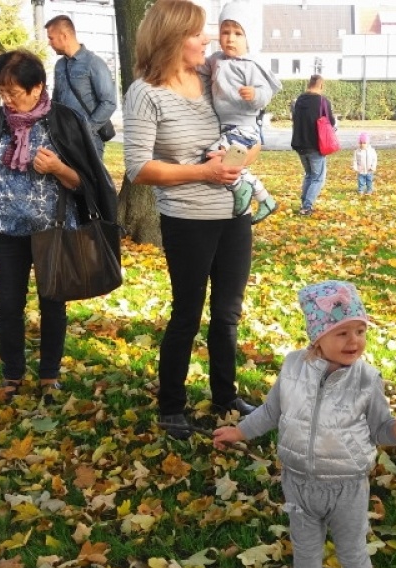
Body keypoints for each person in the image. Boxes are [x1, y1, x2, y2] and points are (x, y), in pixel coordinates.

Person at [214, 280, 396, 568]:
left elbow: (381, 430)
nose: (354, 340)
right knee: (305, 541)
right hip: (298, 480)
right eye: (342, 332)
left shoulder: (367, 380)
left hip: (346, 485)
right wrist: (239, 430)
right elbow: (271, 412)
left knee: (352, 550)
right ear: (318, 337)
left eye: (360, 331)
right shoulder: (293, 367)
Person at [0, 50, 118, 402]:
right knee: (8, 305)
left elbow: (86, 183)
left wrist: (58, 168)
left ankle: (49, 375)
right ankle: (12, 374)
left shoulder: (66, 121)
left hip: (53, 231)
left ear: (38, 86)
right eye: (1, 91)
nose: (5, 99)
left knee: (52, 301)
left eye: (13, 91)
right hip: (6, 230)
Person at [123, 0, 258, 439]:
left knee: (227, 315)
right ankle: (172, 406)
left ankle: (225, 396)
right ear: (172, 38)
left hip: (234, 215)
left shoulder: (211, 76)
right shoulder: (145, 92)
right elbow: (138, 167)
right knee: (187, 314)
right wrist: (204, 171)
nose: (208, 40)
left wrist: (238, 158)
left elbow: (252, 127)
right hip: (187, 221)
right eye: (198, 33)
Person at [201, 0, 282, 225]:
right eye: (225, 32)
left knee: (214, 155)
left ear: (249, 38)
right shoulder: (216, 59)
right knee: (231, 163)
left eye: (238, 33)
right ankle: (265, 199)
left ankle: (240, 188)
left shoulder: (251, 65)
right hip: (227, 126)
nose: (230, 38)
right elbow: (198, 67)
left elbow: (266, 93)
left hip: (244, 127)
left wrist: (254, 94)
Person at [45, 15, 117, 156]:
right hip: (64, 139)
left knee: (90, 179)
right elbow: (55, 102)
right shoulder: (59, 65)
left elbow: (109, 102)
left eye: (51, 38)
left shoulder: (93, 63)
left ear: (64, 36)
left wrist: (86, 130)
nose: (49, 43)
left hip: (90, 141)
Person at [291, 74, 335, 216]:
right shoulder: (322, 102)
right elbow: (331, 122)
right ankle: (307, 206)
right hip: (316, 144)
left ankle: (304, 202)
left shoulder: (299, 100)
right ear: (321, 85)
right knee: (317, 177)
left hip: (299, 143)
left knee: (309, 174)